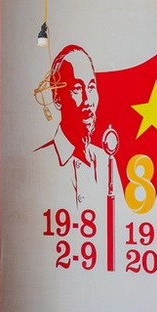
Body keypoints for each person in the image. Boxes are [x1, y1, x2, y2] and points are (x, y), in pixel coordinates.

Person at [38, 44, 119, 206]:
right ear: (57, 98)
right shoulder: (38, 162)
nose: (88, 100)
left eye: (91, 87)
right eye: (77, 88)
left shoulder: (107, 162)